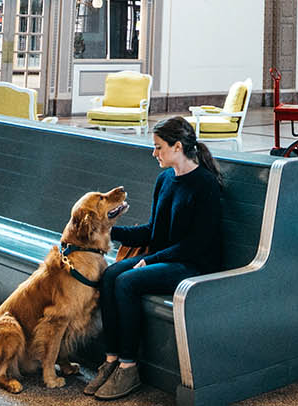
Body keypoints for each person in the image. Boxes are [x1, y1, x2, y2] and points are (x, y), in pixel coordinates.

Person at [84, 116, 224, 400]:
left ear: (177, 146)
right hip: (165, 258)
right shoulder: (165, 179)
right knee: (110, 275)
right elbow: (153, 230)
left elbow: (197, 245)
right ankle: (111, 360)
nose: (154, 153)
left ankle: (128, 367)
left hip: (193, 265)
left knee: (127, 282)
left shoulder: (205, 185)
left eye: (158, 147)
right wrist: (107, 230)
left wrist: (150, 260)